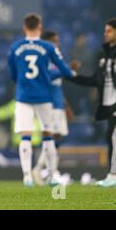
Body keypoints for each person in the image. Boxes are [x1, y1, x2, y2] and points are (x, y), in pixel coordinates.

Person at [7, 14, 75, 186]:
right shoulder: (48, 47)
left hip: (23, 97)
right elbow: (65, 71)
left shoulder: (16, 47)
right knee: (48, 135)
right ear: (40, 27)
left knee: (25, 135)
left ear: (24, 28)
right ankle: (52, 175)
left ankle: (27, 176)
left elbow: (13, 74)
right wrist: (60, 73)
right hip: (44, 96)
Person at [69, 18, 116, 187]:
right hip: (107, 104)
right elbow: (95, 80)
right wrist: (74, 77)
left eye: (109, 31)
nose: (105, 34)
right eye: (105, 31)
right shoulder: (102, 54)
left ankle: (112, 175)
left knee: (111, 135)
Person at [32, 31, 74, 186]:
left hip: (57, 103)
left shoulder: (56, 59)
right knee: (52, 138)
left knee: (57, 139)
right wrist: (66, 69)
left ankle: (49, 172)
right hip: (49, 104)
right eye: (54, 41)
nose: (58, 44)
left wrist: (66, 105)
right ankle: (45, 171)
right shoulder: (44, 59)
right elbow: (47, 77)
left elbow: (58, 85)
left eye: (58, 41)